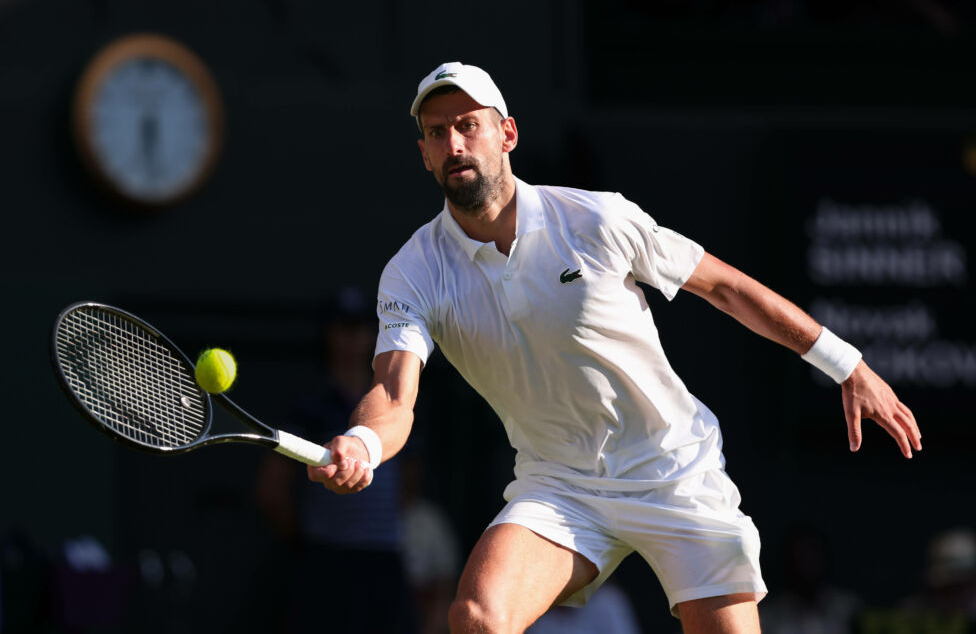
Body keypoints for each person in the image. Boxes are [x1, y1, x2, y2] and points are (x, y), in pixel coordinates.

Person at [307, 62, 922, 634]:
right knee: (477, 618)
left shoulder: (597, 220)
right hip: (560, 485)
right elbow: (392, 393)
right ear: (424, 154)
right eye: (437, 133)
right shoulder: (413, 271)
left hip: (673, 468)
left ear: (507, 134)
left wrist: (846, 363)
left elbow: (727, 288)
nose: (455, 143)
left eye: (469, 125)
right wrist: (363, 443)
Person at [255, 287, 415, 633]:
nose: (352, 339)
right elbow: (272, 490)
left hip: (383, 564)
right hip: (325, 565)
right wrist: (306, 546)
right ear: (329, 335)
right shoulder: (308, 409)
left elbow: (409, 485)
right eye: (343, 328)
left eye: (360, 328)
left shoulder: (401, 409)